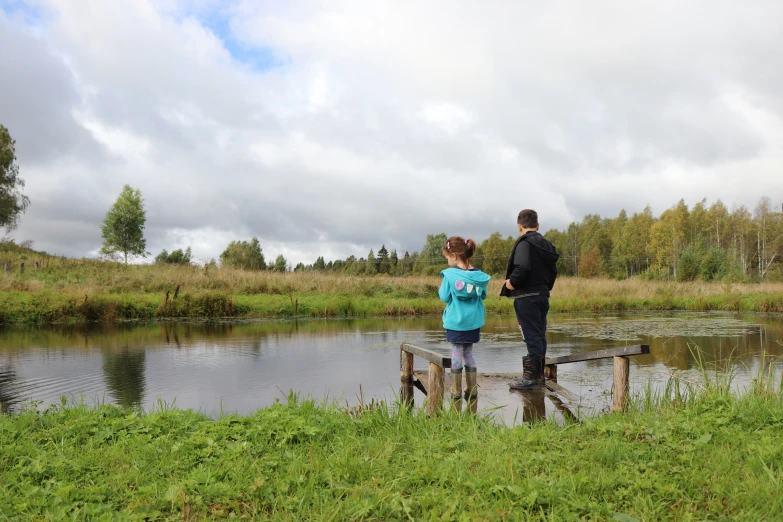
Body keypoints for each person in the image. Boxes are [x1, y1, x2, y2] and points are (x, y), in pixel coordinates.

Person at [501, 209, 559, 390]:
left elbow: (522, 267)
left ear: (519, 227)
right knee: (539, 335)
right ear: (538, 225)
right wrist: (545, 287)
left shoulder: (524, 244)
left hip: (526, 297)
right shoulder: (546, 245)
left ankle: (531, 379)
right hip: (542, 295)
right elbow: (553, 272)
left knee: (532, 336)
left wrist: (511, 283)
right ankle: (538, 376)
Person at [438, 236, 491, 408]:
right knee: (468, 353)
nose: (447, 260)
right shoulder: (479, 276)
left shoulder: (450, 275)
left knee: (456, 353)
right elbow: (483, 295)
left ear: (454, 255)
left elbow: (444, 297)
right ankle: (472, 390)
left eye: (447, 256)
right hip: (473, 323)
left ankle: (456, 391)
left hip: (455, 323)